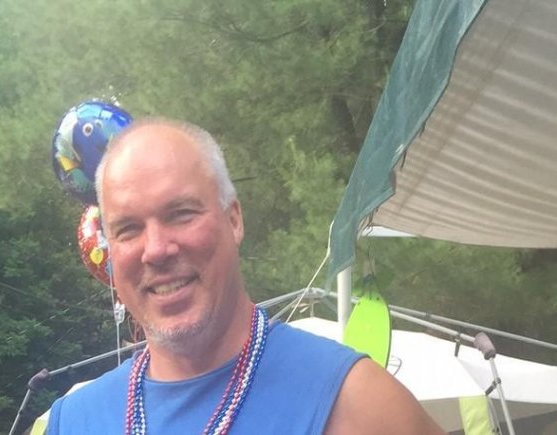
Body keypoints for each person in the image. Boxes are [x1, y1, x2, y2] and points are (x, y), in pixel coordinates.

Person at [46, 118, 445, 434]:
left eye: (181, 214)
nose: (156, 250)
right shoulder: (73, 422)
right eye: (128, 229)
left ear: (233, 219)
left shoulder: (354, 403)